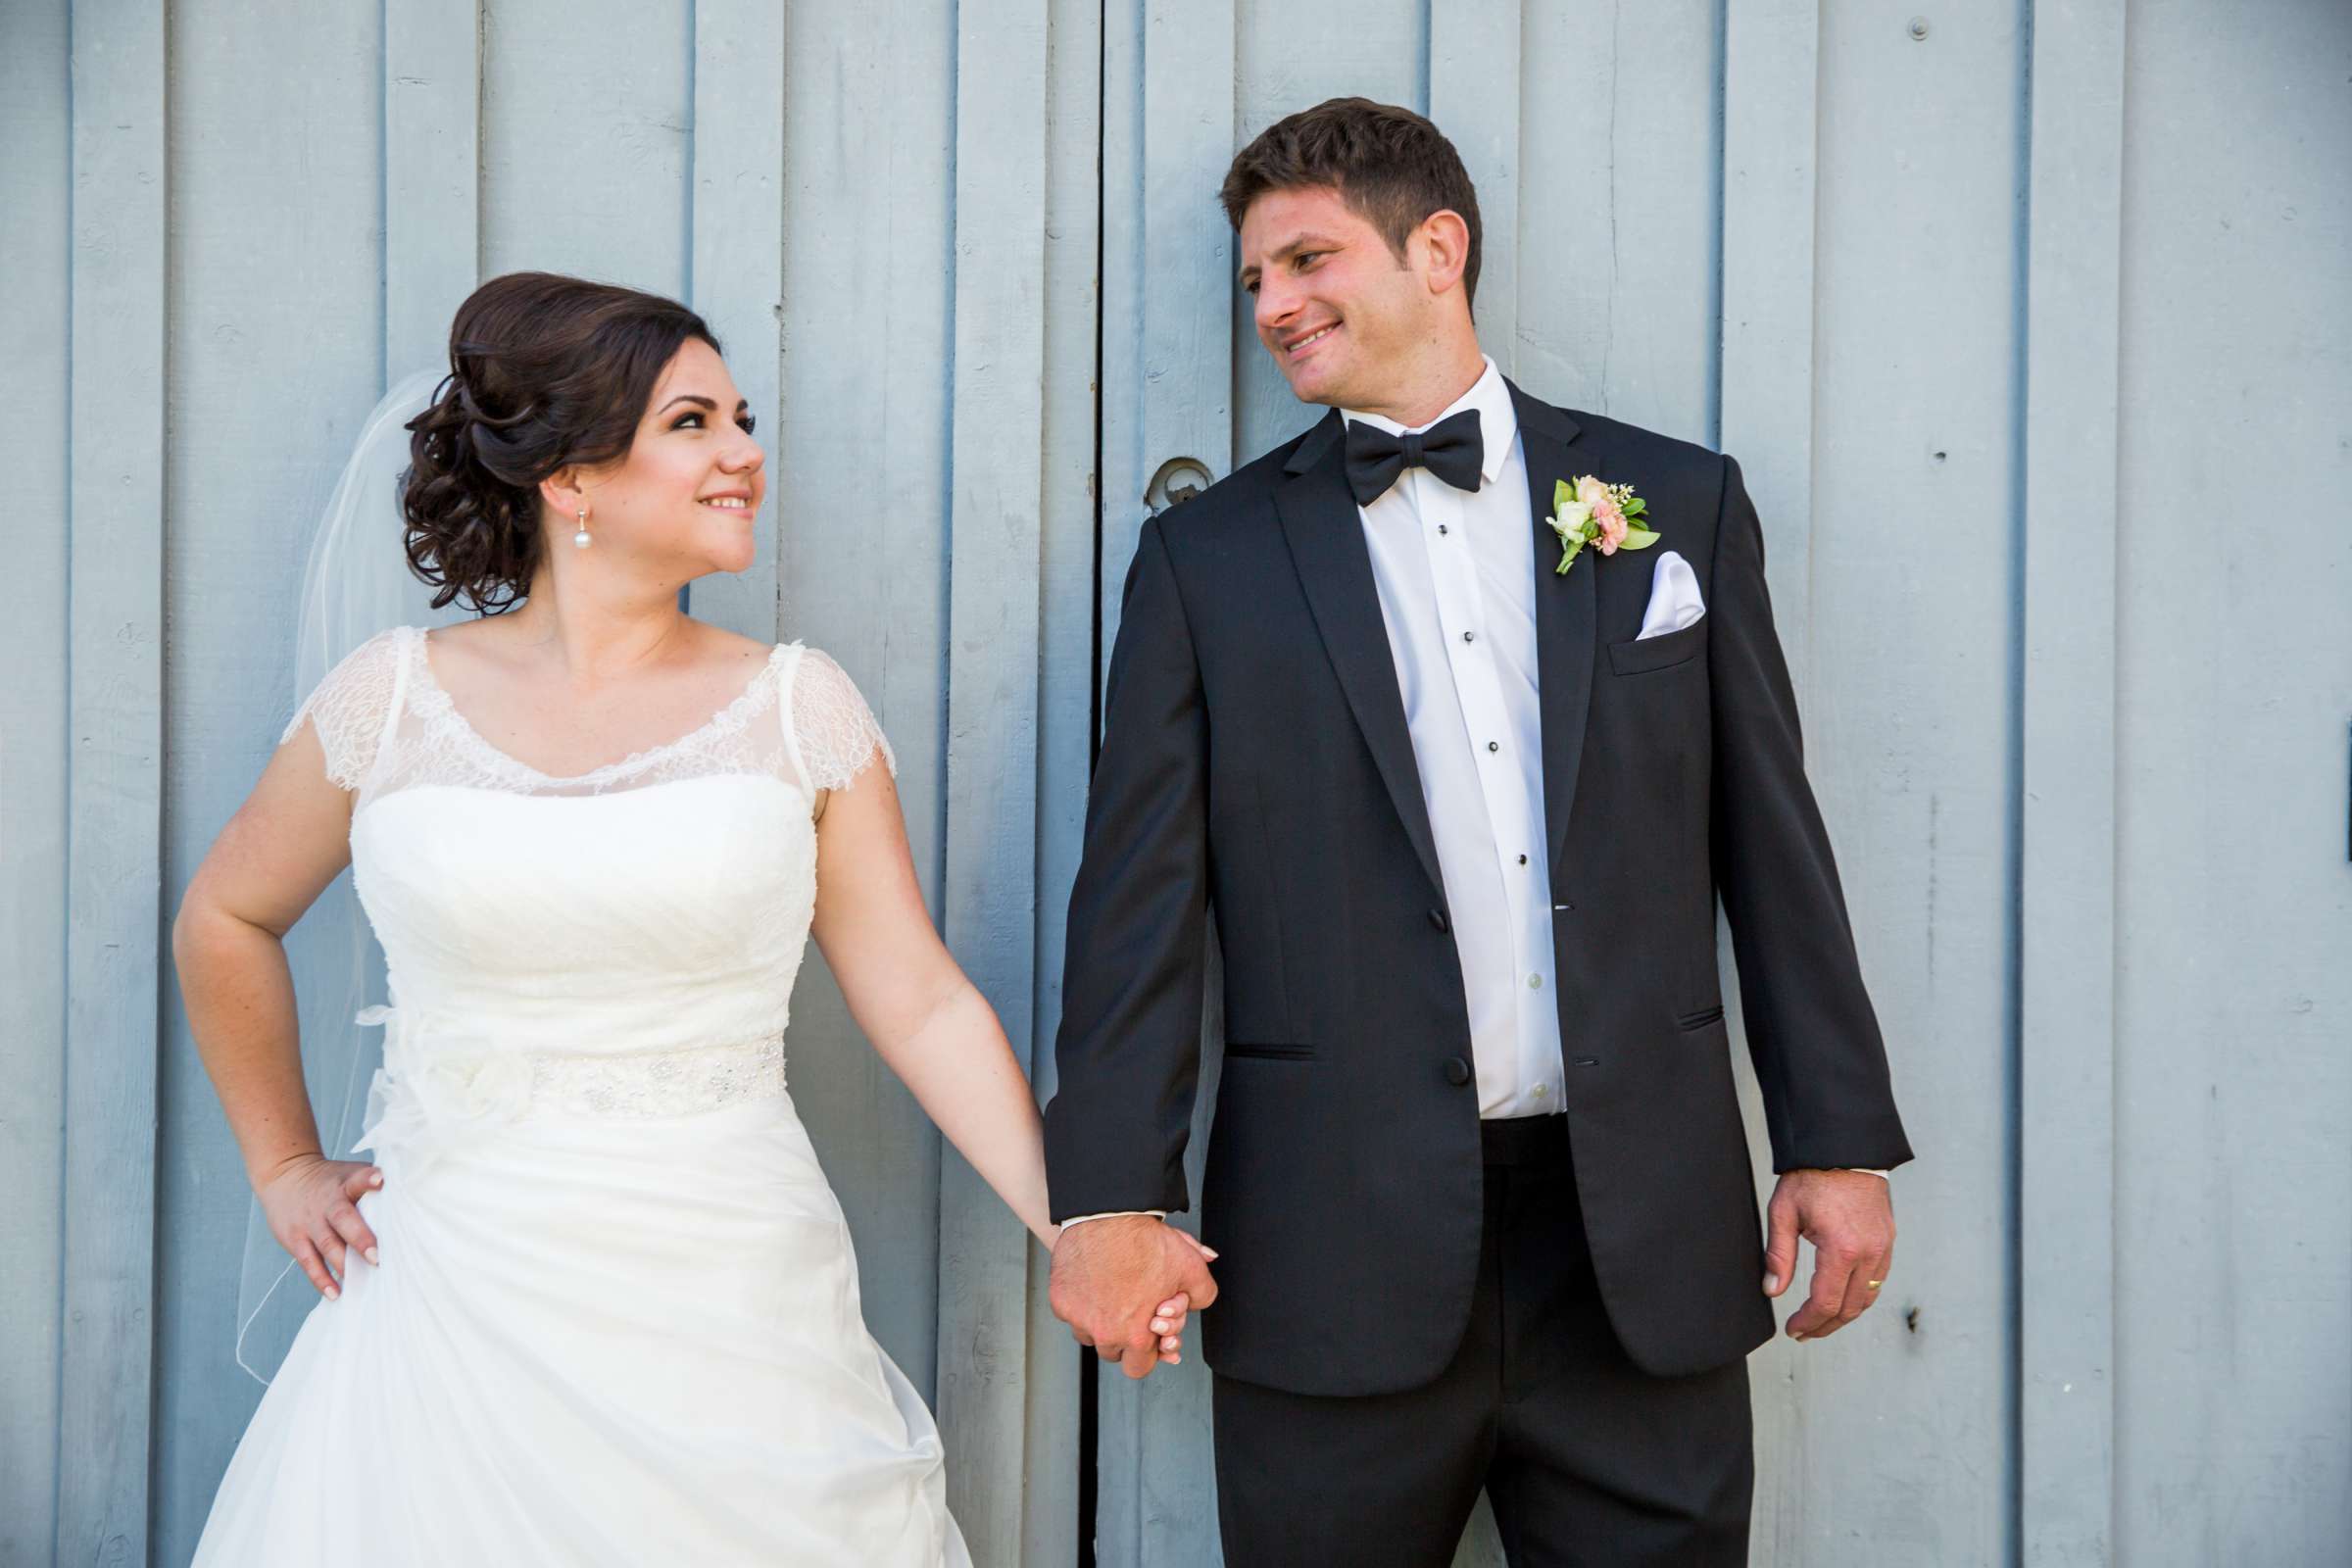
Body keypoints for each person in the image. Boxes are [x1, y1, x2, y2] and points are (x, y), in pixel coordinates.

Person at [172, 271, 1208, 1565]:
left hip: (730, 1305)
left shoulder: (798, 709)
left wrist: (1085, 1225)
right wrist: (285, 1167)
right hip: (449, 1296)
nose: (746, 454)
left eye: (742, 418)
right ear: (569, 480)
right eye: (694, 423)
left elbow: (922, 999)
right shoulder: (388, 701)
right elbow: (225, 913)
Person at [1044, 98, 1912, 1564]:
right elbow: (1137, 905)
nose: (1274, 306)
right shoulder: (1205, 562)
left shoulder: (1672, 504)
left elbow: (1771, 841)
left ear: (1436, 248)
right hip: (1334, 1244)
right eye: (1255, 280)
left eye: (1306, 260)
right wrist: (1114, 1197)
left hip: (1638, 1243)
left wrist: (1836, 1140)